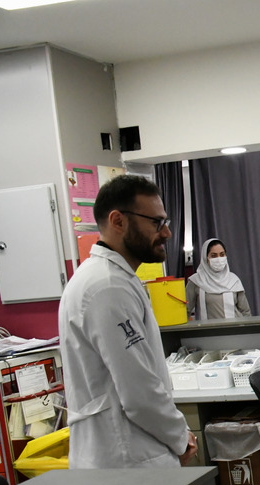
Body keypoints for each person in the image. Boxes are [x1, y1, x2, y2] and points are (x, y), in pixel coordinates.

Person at [59, 174, 197, 468]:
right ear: (118, 221)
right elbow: (139, 392)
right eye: (156, 223)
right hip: (127, 459)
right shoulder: (106, 287)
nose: (167, 233)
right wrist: (180, 437)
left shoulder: (109, 279)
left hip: (126, 455)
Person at [186, 238, 251, 319]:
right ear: (206, 258)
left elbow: (246, 312)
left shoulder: (234, 280)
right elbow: (185, 311)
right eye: (214, 255)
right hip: (208, 327)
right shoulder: (196, 281)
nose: (219, 258)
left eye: (222, 254)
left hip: (235, 326)